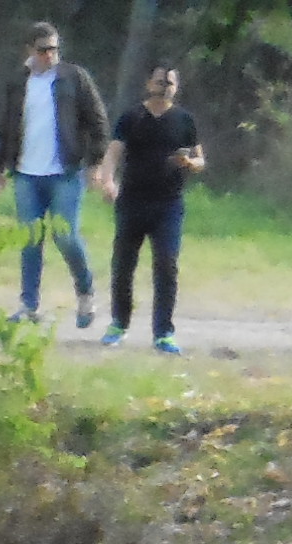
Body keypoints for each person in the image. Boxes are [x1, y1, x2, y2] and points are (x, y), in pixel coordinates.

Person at [0, 21, 105, 330]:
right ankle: (29, 305)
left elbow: (97, 119)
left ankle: (85, 292)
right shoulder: (18, 81)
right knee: (29, 239)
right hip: (26, 173)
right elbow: (5, 126)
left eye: (54, 49)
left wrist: (96, 162)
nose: (50, 55)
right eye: (43, 50)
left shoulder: (74, 78)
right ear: (29, 51)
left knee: (65, 236)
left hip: (64, 171)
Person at [99, 64, 203, 353]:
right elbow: (113, 152)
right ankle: (119, 323)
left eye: (170, 82)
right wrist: (107, 180)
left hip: (168, 204)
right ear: (148, 83)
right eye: (160, 81)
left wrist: (189, 164)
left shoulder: (184, 120)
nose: (164, 86)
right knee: (123, 264)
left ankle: (164, 332)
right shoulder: (132, 117)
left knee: (167, 265)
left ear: (176, 87)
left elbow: (200, 159)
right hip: (132, 201)